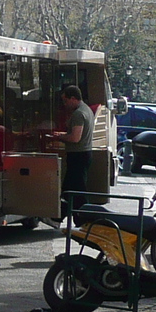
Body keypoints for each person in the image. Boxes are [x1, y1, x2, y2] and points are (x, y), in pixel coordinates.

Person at [54, 84, 94, 216]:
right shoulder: (87, 110)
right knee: (70, 189)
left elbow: (75, 138)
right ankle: (63, 216)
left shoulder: (78, 114)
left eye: (65, 101)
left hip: (78, 155)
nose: (64, 104)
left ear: (73, 98)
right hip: (83, 154)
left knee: (77, 190)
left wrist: (60, 137)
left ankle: (83, 218)